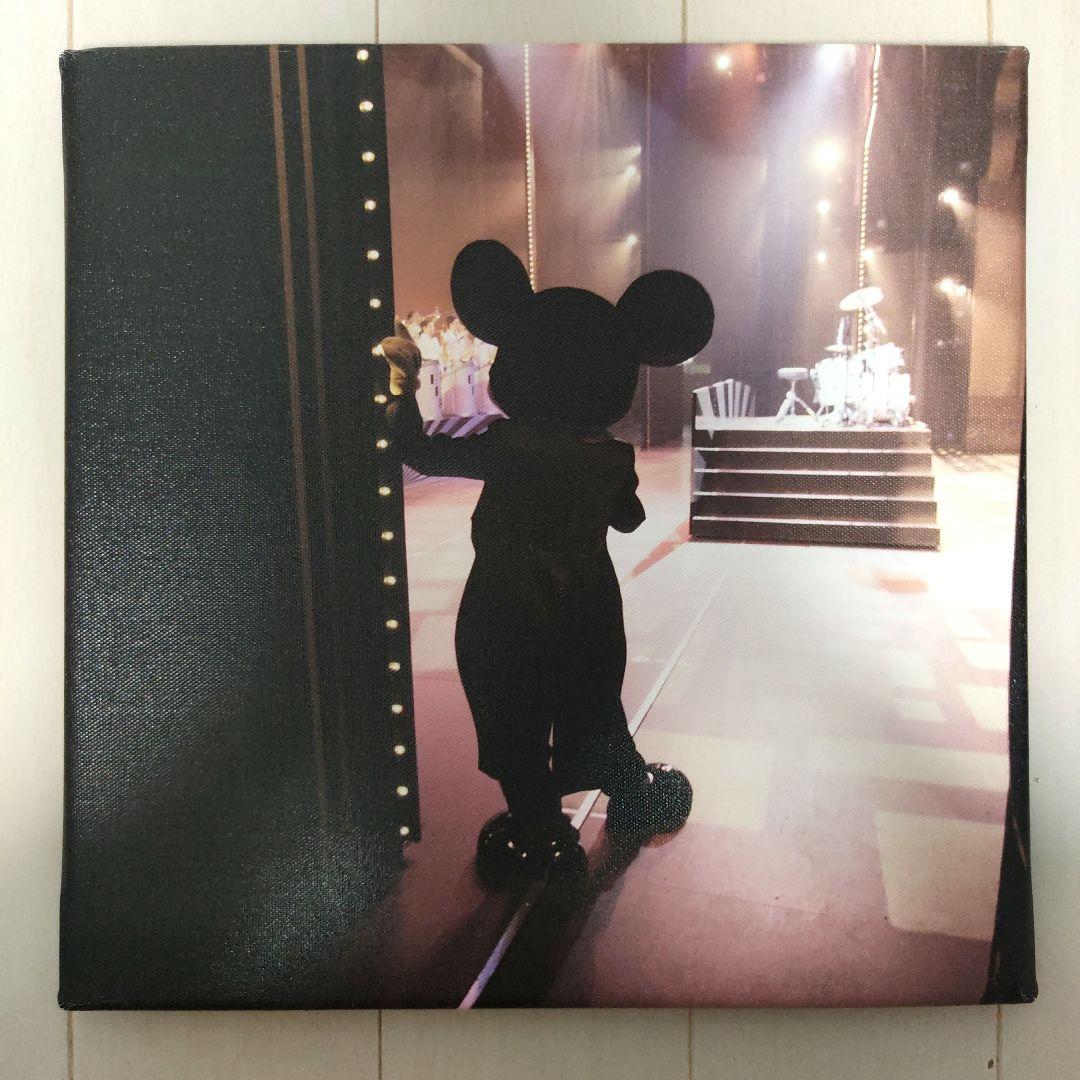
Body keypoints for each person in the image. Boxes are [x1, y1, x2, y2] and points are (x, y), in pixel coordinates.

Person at [380, 240, 714, 885]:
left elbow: (423, 454)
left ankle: (537, 824)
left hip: (504, 599)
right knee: (592, 700)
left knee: (510, 706)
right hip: (586, 599)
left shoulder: (505, 448)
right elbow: (629, 518)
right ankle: (630, 789)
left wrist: (399, 390)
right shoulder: (610, 457)